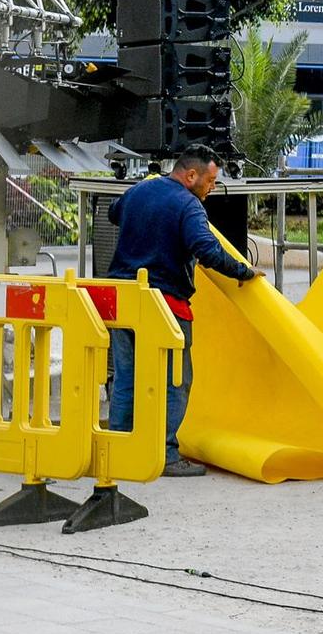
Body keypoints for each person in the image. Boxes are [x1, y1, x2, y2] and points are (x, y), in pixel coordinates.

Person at [105, 144, 259, 477]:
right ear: (191, 175)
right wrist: (243, 272)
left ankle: (117, 448)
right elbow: (206, 250)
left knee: (126, 378)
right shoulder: (188, 205)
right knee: (176, 380)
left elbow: (113, 213)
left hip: (123, 299)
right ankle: (166, 454)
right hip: (165, 304)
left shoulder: (140, 189)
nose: (212, 188)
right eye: (211, 181)